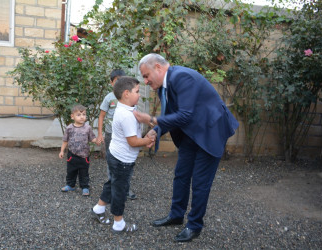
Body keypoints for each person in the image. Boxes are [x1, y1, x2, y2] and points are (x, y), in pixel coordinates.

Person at [133, 53, 239, 242]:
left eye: (146, 75)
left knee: (200, 182)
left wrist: (150, 120)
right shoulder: (163, 87)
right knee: (181, 175)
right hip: (192, 133)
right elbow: (172, 116)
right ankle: (176, 215)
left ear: (158, 67)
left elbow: (185, 115)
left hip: (210, 131)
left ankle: (194, 225)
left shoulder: (182, 77)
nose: (145, 81)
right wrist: (155, 131)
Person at [91, 76, 154, 233]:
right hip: (122, 160)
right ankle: (118, 223)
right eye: (137, 91)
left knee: (113, 182)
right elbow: (132, 142)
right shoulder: (125, 115)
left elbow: (137, 117)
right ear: (126, 93)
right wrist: (146, 140)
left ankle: (99, 209)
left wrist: (148, 123)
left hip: (115, 154)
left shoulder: (126, 108)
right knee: (120, 189)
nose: (139, 94)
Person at [96, 69, 137, 200]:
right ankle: (113, 188)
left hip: (125, 137)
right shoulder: (109, 98)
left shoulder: (129, 98)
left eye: (121, 80)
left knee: (126, 163)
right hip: (111, 135)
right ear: (111, 83)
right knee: (112, 163)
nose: (119, 83)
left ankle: (125, 189)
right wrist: (100, 134)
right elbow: (101, 116)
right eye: (116, 81)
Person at [59, 104, 99, 196]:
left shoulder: (87, 128)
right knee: (70, 171)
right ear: (72, 116)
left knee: (84, 172)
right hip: (72, 155)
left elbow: (92, 139)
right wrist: (62, 151)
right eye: (79, 115)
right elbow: (65, 140)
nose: (82, 117)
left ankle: (85, 187)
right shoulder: (69, 128)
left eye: (84, 114)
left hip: (84, 156)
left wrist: (97, 140)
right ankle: (70, 185)